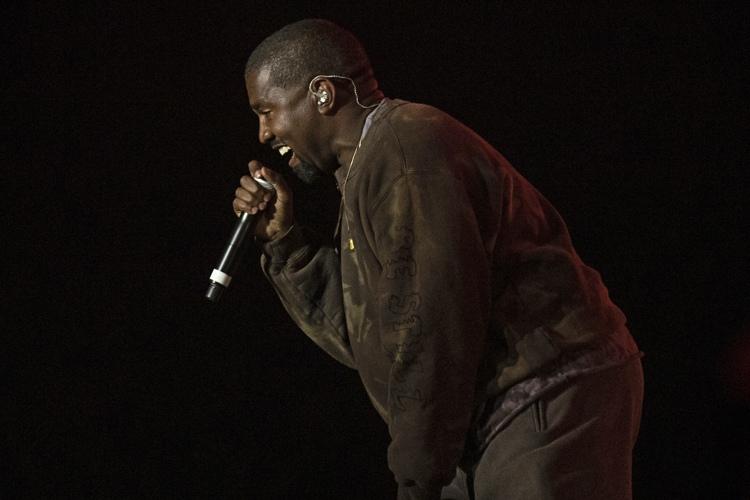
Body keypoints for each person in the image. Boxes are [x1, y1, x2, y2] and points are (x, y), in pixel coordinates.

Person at [231, 18, 644, 500]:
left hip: (543, 394)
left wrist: (416, 476)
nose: (263, 133)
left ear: (322, 94)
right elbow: (377, 337)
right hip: (491, 416)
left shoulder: (405, 150)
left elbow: (430, 325)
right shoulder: (368, 166)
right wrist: (287, 244)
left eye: (266, 111)